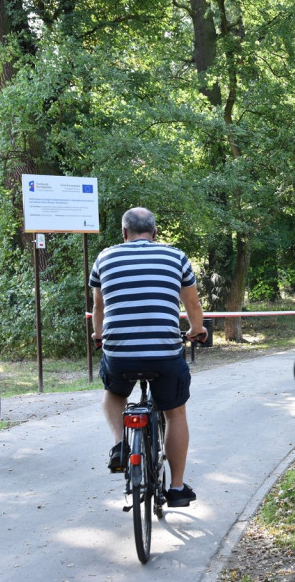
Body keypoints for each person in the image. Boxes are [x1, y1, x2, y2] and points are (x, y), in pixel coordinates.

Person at [90, 207, 207, 508]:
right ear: (155, 233)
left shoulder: (105, 257)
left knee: (113, 393)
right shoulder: (175, 257)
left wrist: (100, 336)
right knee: (175, 413)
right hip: (164, 355)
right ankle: (177, 488)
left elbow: (99, 307)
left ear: (124, 233)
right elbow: (192, 304)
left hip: (120, 353)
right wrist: (197, 330)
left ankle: (119, 445)